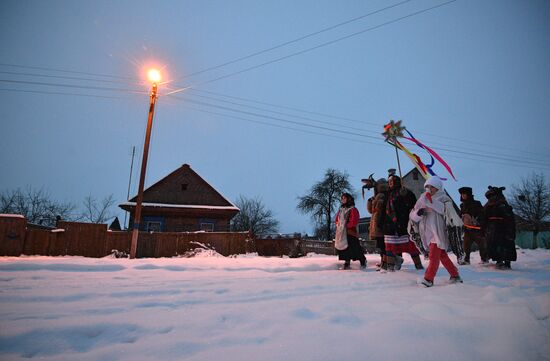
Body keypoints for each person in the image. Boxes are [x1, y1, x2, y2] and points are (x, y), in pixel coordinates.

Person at [410, 176, 462, 287]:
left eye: (432, 187)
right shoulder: (422, 198)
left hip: (438, 233)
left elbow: (444, 210)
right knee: (442, 256)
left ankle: (428, 279)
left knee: (433, 256)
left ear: (438, 188)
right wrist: (418, 213)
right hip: (427, 233)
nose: (429, 189)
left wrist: (430, 201)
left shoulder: (444, 198)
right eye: (427, 187)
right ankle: (455, 275)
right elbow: (413, 215)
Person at [378, 175, 423, 271]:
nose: (390, 183)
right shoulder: (387, 194)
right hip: (389, 225)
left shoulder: (406, 192)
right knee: (389, 247)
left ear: (397, 182)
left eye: (392, 181)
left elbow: (413, 205)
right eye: (389, 181)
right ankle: (390, 267)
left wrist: (406, 196)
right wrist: (380, 222)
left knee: (411, 247)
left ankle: (418, 266)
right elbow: (383, 210)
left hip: (403, 223)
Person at [484, 186, 517, 269]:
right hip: (492, 229)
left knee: (505, 244)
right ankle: (499, 261)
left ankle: (507, 262)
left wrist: (509, 230)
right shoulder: (487, 206)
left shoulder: (503, 205)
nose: (491, 198)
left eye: (493, 195)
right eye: (490, 196)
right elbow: (483, 216)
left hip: (503, 228)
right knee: (494, 245)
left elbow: (509, 218)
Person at [335, 193, 366, 270]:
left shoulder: (353, 209)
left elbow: (354, 220)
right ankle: (347, 262)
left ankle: (362, 260)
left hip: (350, 232)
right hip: (342, 232)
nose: (343, 200)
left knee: (355, 247)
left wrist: (347, 226)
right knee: (345, 248)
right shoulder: (341, 209)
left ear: (348, 199)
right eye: (342, 198)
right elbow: (337, 219)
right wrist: (338, 225)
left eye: (344, 198)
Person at [458, 187, 488, 265]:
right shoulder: (462, 205)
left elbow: (482, 214)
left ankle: (484, 259)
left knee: (481, 244)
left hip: (477, 228)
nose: (463, 195)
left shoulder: (477, 203)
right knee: (466, 244)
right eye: (462, 194)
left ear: (469, 194)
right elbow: (460, 215)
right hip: (467, 229)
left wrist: (476, 220)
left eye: (464, 194)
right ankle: (466, 259)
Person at [366, 178, 388, 271]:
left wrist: (379, 222)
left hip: (380, 223)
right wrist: (370, 201)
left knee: (383, 245)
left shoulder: (382, 196)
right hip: (376, 223)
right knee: (381, 245)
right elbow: (371, 211)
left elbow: (379, 211)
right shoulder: (378, 196)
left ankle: (385, 263)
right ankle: (384, 262)